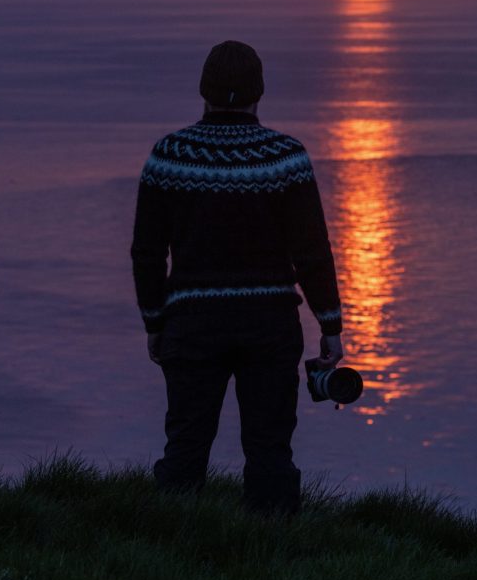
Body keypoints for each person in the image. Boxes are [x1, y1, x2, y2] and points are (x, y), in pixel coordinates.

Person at [130, 40, 343, 515]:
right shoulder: (285, 157)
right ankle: (271, 558)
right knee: (270, 450)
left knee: (185, 446)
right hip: (268, 325)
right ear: (259, 92)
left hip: (192, 323)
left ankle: (166, 555)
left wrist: (154, 322)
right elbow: (311, 251)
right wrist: (330, 325)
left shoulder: (169, 155)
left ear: (203, 89)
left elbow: (147, 252)